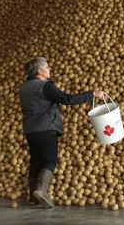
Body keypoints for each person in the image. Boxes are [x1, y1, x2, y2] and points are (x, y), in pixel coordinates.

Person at [20, 57, 105, 208]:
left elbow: (39, 105)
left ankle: (33, 197)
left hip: (30, 130)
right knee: (50, 160)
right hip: (46, 128)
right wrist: (92, 94)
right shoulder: (45, 86)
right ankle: (41, 190)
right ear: (40, 71)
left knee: (35, 161)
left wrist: (55, 110)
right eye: (47, 67)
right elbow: (67, 98)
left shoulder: (24, 87)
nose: (49, 69)